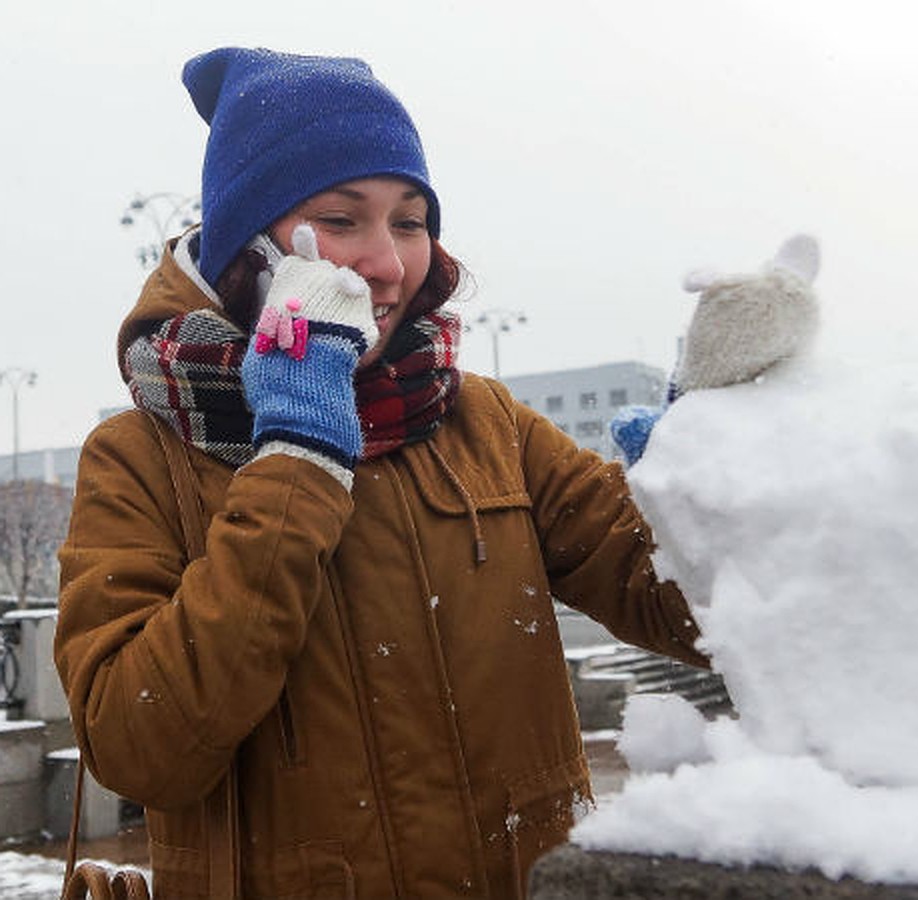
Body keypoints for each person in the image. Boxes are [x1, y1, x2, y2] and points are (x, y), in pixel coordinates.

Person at [54, 47, 707, 899]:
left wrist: (717, 469)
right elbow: (141, 747)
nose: (388, 263)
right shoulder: (139, 458)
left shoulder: (487, 422)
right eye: (342, 218)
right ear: (247, 246)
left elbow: (692, 612)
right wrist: (296, 461)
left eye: (408, 220)